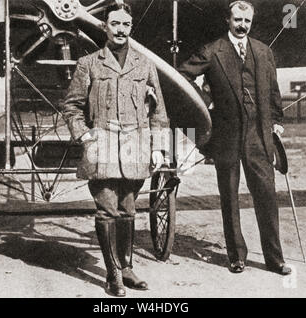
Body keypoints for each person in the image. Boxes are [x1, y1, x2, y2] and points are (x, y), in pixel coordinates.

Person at [60, 3, 169, 296]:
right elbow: (71, 106)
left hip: (136, 146)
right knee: (107, 210)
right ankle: (112, 275)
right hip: (102, 144)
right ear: (105, 27)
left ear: (131, 28)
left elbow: (158, 112)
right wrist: (84, 135)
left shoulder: (145, 65)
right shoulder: (89, 63)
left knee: (128, 209)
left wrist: (157, 148)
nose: (121, 29)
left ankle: (127, 267)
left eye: (126, 24)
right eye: (115, 24)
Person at [178, 0, 291, 275]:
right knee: (229, 197)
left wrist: (276, 122)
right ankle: (236, 256)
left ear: (251, 22)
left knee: (266, 197)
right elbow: (182, 76)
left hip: (259, 136)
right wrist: (206, 103)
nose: (242, 25)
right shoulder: (212, 51)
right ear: (227, 21)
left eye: (247, 21)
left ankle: (275, 259)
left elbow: (274, 93)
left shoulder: (264, 52)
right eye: (237, 20)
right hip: (225, 136)